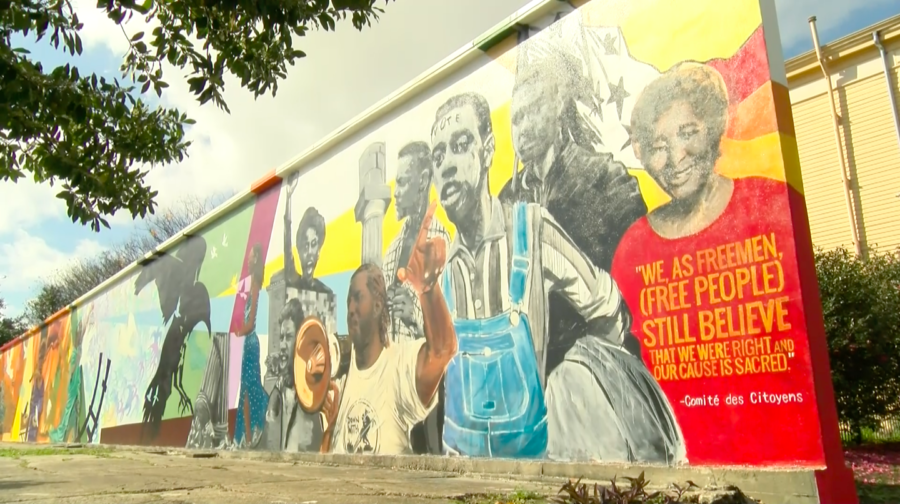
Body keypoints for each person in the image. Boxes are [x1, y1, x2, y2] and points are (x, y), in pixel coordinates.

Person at [430, 91, 683, 463]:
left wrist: (580, 387)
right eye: (438, 157)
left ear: (486, 151)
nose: (447, 165)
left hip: (535, 474)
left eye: (460, 145)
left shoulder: (530, 230)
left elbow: (607, 307)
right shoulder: (441, 275)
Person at [611, 63, 804, 461]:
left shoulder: (768, 207)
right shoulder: (632, 249)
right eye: (658, 146)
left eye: (688, 133)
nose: (675, 157)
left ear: (713, 128)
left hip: (776, 450)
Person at [499, 50, 647, 368]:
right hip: (529, 376)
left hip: (598, 368)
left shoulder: (606, 180)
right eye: (516, 118)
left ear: (559, 108)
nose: (522, 127)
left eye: (534, 110)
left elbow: (637, 291)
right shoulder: (505, 201)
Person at [321, 205, 457, 455]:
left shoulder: (397, 366)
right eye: (348, 299)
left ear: (377, 306)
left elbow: (442, 351)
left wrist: (427, 288)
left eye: (358, 298)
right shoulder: (342, 381)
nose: (350, 308)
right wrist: (328, 433)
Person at [381, 141, 451, 455]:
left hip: (429, 385)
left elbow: (452, 321)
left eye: (403, 182)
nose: (396, 191)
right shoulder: (393, 247)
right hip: (395, 383)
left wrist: (417, 314)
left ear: (423, 181)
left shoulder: (438, 237)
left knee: (430, 461)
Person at [263, 298, 324, 452]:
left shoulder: (311, 388)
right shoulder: (281, 390)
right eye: (281, 337)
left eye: (288, 337)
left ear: (300, 340)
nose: (282, 345)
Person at [233, 244, 269, 449]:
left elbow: (251, 320)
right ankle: (247, 438)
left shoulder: (255, 286)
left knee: (251, 387)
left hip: (251, 342)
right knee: (245, 391)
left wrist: (241, 331)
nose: (248, 259)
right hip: (248, 343)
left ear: (257, 260)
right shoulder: (251, 285)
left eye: (251, 256)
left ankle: (265, 407)